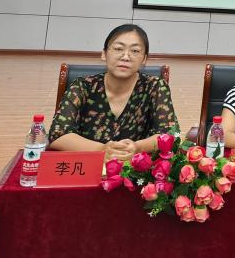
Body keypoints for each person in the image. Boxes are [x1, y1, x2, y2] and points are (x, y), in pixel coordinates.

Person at [49, 24, 179, 162]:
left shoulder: (155, 87)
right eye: (118, 49)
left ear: (144, 59)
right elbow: (58, 134)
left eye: (135, 51)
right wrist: (102, 150)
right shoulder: (82, 86)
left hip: (135, 170)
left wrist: (138, 147)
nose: (126, 57)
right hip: (87, 166)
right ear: (104, 54)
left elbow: (171, 135)